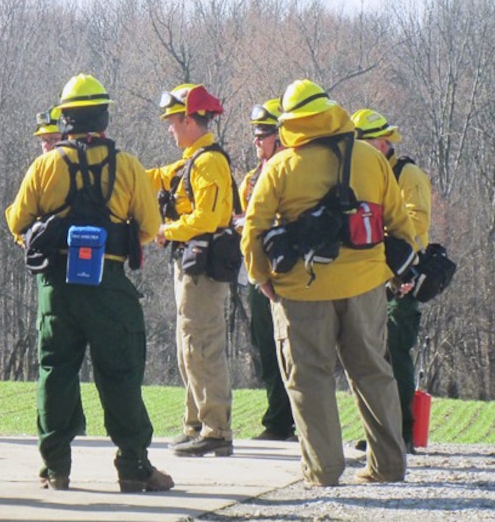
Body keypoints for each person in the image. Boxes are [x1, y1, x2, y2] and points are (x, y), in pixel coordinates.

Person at [241, 79, 415, 486]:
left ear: (288, 123)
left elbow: (253, 228)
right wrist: (389, 271)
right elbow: (400, 223)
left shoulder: (281, 166)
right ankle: (388, 465)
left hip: (301, 290)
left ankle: (323, 471)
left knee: (309, 378)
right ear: (330, 112)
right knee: (373, 370)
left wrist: (261, 276)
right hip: (366, 285)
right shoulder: (371, 160)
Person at [6, 74, 172, 493]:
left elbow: (16, 221)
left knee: (55, 372)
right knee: (120, 374)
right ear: (104, 117)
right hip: (109, 284)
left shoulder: (45, 165)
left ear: (66, 119)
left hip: (57, 287)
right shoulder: (130, 167)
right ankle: (134, 467)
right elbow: (150, 227)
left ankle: (55, 469)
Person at [148, 83, 235, 457]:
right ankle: (196, 423)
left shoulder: (208, 162)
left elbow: (209, 218)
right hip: (188, 264)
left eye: (172, 121)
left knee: (202, 346)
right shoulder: (190, 161)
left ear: (188, 119)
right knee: (188, 347)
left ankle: (216, 430)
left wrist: (167, 230)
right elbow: (154, 177)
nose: (169, 128)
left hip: (201, 267)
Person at [352, 108, 432, 455]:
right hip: (372, 273)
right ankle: (377, 429)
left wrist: (401, 269)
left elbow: (415, 226)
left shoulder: (407, 174)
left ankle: (400, 431)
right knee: (371, 355)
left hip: (400, 275)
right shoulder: (366, 172)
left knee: (395, 352)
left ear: (383, 143)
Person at [240, 99, 296, 442]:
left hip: (287, 271)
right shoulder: (250, 179)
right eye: (255, 135)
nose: (257, 142)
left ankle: (295, 418)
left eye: (263, 135)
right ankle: (277, 420)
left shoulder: (293, 171)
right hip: (257, 273)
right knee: (266, 348)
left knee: (296, 351)